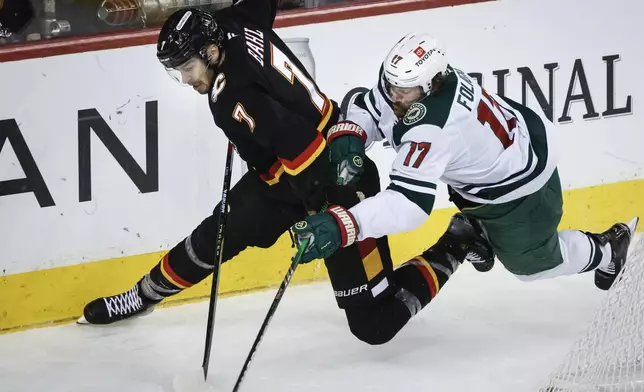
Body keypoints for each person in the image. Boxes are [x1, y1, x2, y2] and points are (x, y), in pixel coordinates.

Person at [82, 6, 487, 348]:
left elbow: (300, 149)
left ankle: (456, 241)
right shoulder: (236, 18)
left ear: (210, 49)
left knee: (373, 323)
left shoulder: (232, 98)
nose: (187, 80)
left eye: (188, 67)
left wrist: (329, 219)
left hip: (335, 181)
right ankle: (142, 296)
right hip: (281, 175)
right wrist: (250, 133)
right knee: (213, 236)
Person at [291, 32, 639, 342]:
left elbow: (408, 205)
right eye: (392, 83)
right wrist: (353, 131)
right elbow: (370, 102)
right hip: (501, 161)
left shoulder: (435, 127)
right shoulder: (424, 83)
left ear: (431, 85)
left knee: (533, 267)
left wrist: (342, 226)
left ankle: (610, 246)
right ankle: (475, 230)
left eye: (403, 89)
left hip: (522, 194)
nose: (394, 94)